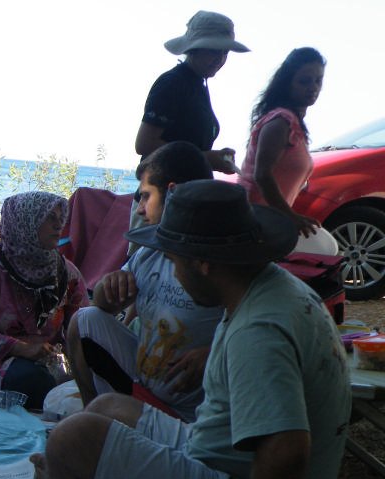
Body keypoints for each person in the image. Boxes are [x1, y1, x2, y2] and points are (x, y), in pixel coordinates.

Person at [32, 180, 351, 479]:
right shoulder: (265, 288)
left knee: (69, 440)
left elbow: (286, 450)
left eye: (174, 260)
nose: (174, 272)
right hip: (221, 466)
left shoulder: (260, 330)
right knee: (108, 408)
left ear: (202, 263)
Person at [66, 142, 219, 422]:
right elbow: (101, 305)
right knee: (84, 319)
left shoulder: (222, 263)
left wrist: (216, 353)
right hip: (143, 384)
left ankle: (97, 427)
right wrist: (108, 288)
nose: (139, 210)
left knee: (77, 438)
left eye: (146, 196)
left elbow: (262, 327)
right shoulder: (150, 250)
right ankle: (91, 418)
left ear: (172, 193)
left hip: (190, 415)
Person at [0, 192, 88, 410]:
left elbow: (81, 324)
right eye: (50, 218)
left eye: (59, 219)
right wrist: (20, 348)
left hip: (51, 364)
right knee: (33, 381)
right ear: (26, 222)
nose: (58, 226)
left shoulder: (66, 273)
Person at [237, 48, 338, 255]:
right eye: (304, 81)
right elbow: (262, 175)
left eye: (318, 80)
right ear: (288, 83)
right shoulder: (280, 121)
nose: (313, 87)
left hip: (267, 222)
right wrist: (290, 216)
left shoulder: (293, 123)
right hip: (253, 223)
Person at [135, 11, 249, 175]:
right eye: (214, 50)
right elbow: (144, 144)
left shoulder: (196, 84)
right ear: (194, 49)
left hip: (182, 194)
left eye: (225, 52)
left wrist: (216, 158)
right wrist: (206, 158)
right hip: (162, 193)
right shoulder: (173, 82)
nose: (220, 59)